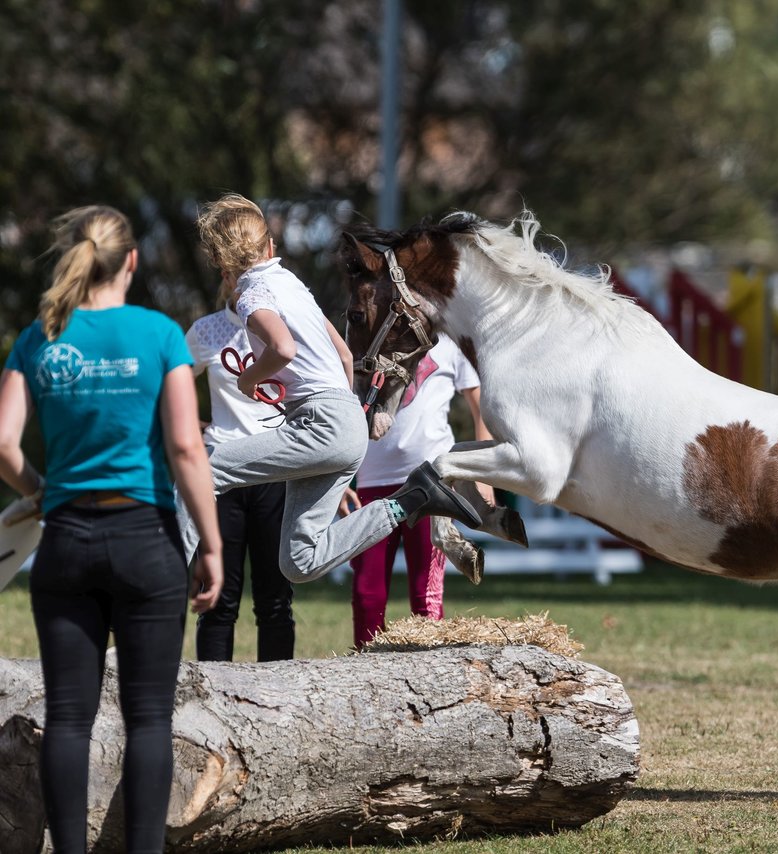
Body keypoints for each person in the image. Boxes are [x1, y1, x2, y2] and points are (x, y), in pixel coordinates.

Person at [0, 206, 223, 854]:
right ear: (131, 261)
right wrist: (209, 543)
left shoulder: (39, 336)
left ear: (73, 254)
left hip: (67, 542)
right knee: (148, 718)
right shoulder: (158, 334)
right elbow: (186, 449)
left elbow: (3, 442)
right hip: (145, 542)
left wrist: (40, 491)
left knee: (69, 717)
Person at [179, 194, 481, 583]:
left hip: (319, 424)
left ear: (221, 262)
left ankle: (165, 581)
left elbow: (283, 348)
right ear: (270, 246)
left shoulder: (252, 295)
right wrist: (354, 412)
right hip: (342, 423)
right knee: (299, 562)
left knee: (203, 469)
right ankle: (411, 499)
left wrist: (247, 379)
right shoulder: (292, 284)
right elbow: (342, 352)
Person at [341, 335, 494, 647]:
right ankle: (364, 674)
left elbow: (481, 409)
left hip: (433, 484)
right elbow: (341, 410)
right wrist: (341, 479)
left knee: (427, 593)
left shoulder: (451, 343)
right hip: (371, 483)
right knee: (366, 592)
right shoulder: (368, 338)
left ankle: (431, 675)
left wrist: (482, 474)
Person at [186, 290, 294, 662]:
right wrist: (190, 430)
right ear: (223, 269)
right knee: (217, 601)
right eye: (233, 268)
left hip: (276, 469)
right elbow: (170, 390)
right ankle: (212, 705)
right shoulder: (206, 330)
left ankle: (280, 707)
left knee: (276, 602)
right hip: (221, 473)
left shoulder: (287, 324)